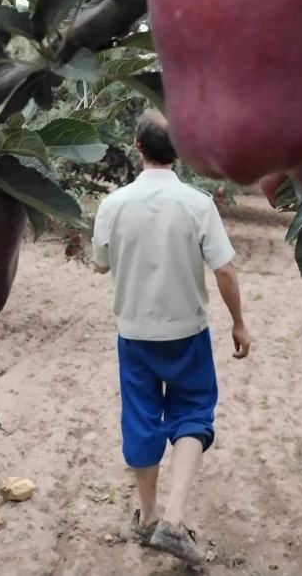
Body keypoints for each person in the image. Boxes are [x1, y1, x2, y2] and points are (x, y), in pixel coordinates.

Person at [92, 109, 251, 565]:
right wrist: (239, 322)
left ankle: (146, 519)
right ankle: (174, 523)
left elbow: (101, 263)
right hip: (187, 333)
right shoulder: (198, 204)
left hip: (135, 333)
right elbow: (224, 267)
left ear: (136, 147)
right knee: (193, 414)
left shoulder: (113, 205)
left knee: (141, 419)